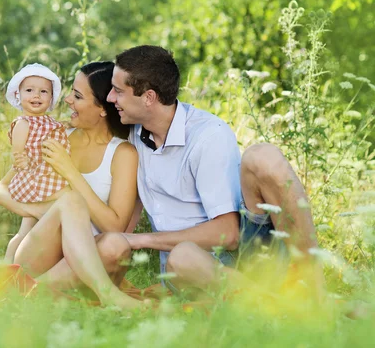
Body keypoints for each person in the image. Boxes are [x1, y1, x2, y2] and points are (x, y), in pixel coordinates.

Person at [103, 45, 324, 296]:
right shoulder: (132, 136)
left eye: (118, 91)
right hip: (190, 270)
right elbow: (125, 216)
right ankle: (274, 306)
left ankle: (314, 290)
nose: (111, 98)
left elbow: (228, 234)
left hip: (245, 254)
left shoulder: (207, 135)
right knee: (183, 257)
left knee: (263, 156)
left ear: (149, 97)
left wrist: (138, 241)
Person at [0, 61, 143, 308]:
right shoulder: (55, 135)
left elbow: (115, 226)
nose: (67, 101)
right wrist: (42, 211)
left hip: (86, 262)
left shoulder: (123, 153)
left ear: (103, 109)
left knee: (116, 245)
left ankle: (33, 292)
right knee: (70, 200)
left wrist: (71, 172)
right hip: (39, 253)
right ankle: (108, 295)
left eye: (77, 95)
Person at [3, 63, 71, 262]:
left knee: (27, 229)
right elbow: (18, 153)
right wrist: (21, 161)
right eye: (29, 90)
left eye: (43, 92)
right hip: (35, 178)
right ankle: (10, 265)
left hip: (48, 176)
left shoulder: (49, 122)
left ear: (51, 98)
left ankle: (16, 265)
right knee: (68, 201)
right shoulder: (23, 123)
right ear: (18, 95)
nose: (36, 96)